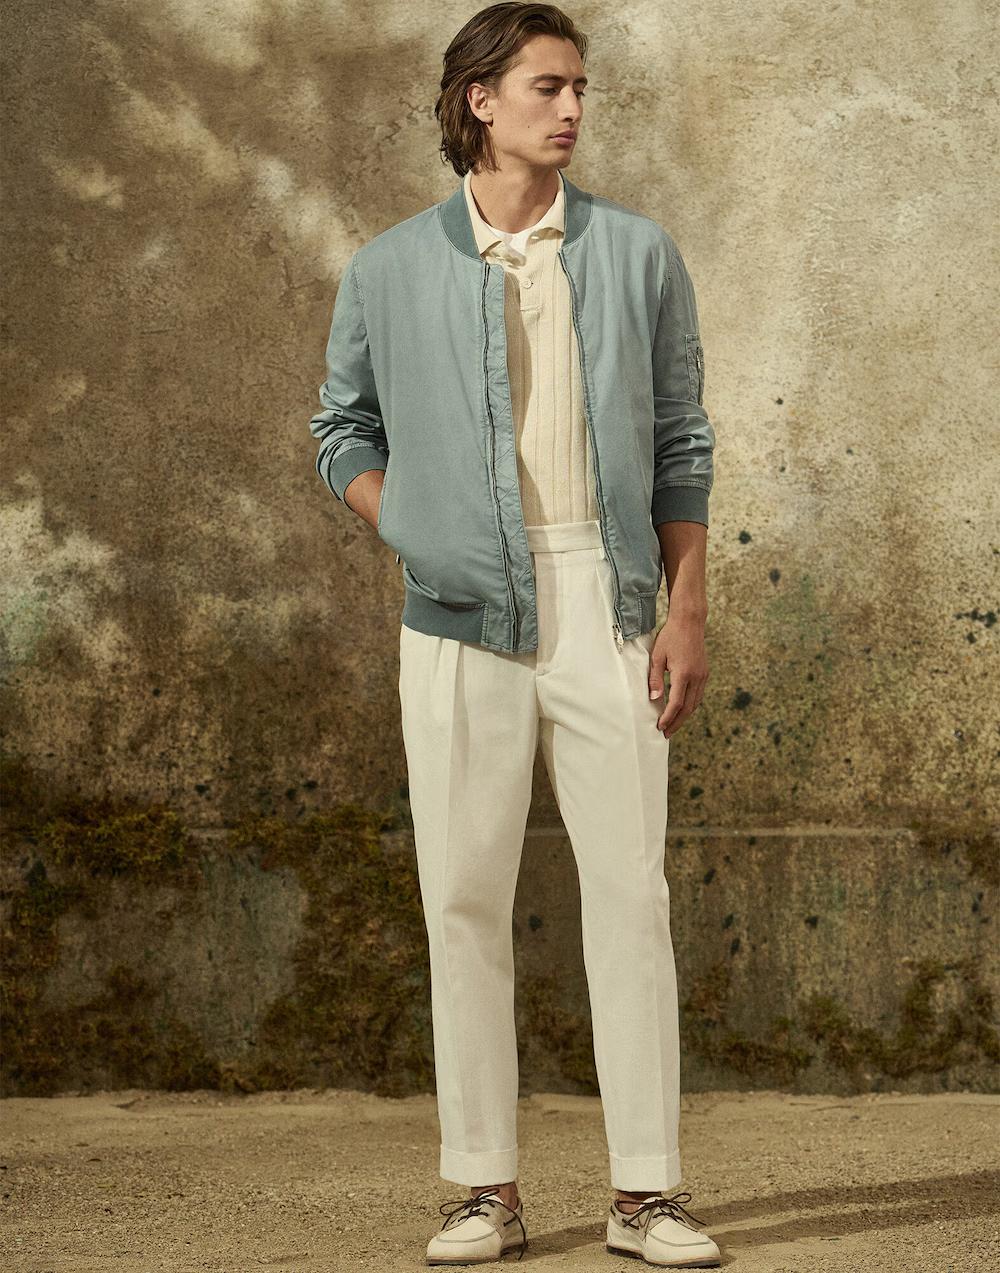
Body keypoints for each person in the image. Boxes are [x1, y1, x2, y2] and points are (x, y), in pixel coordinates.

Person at [308, 4, 721, 1266]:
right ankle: (483, 1187)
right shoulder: (388, 267)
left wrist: (685, 608)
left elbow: (682, 439)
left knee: (630, 893)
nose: (573, 108)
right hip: (456, 614)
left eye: (581, 87)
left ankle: (645, 1193)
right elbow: (341, 431)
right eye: (548, 86)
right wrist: (414, 530)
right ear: (479, 99)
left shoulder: (638, 253)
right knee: (463, 895)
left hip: (607, 596)